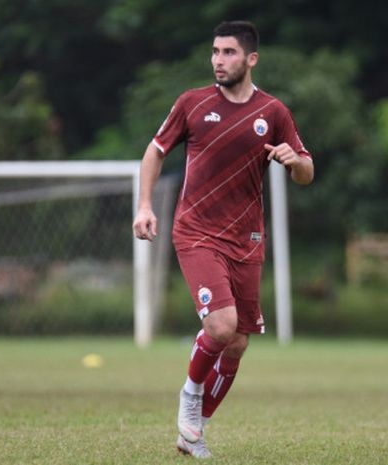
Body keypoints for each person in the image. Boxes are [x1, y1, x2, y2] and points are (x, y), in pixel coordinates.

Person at [133, 20, 314, 458]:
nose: (218, 60)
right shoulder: (192, 104)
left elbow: (307, 173)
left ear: (251, 59)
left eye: (229, 52)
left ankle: (194, 432)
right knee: (220, 325)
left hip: (247, 240)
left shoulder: (273, 113)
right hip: (196, 232)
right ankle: (190, 397)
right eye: (215, 51)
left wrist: (295, 161)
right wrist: (143, 205)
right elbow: (155, 151)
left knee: (237, 343)